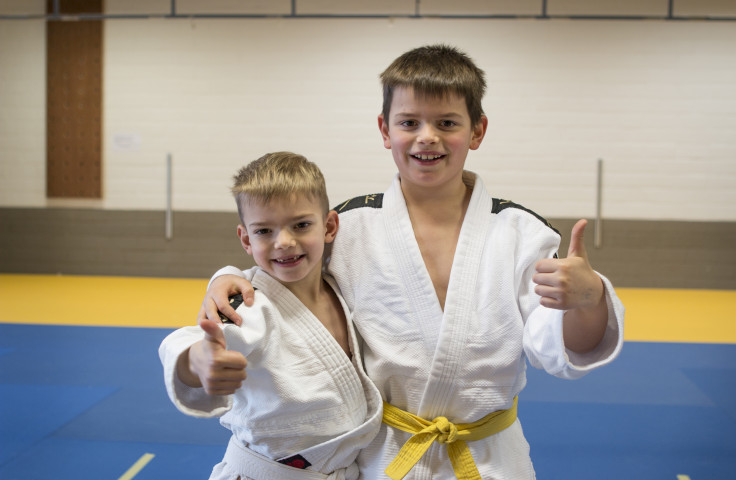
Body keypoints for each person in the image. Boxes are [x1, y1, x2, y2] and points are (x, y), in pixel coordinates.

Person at [200, 45, 625, 479]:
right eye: (409, 122)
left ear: (477, 131)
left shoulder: (520, 233)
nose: (427, 136)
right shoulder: (348, 228)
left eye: (447, 123)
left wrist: (589, 299)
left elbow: (557, 349)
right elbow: (279, 272)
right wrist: (228, 276)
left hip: (490, 460)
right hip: (382, 459)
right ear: (385, 130)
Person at [159, 152, 383, 480]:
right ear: (247, 240)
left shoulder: (344, 287)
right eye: (264, 231)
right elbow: (193, 340)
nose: (284, 242)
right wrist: (198, 361)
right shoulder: (251, 305)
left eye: (301, 225)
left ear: (330, 226)